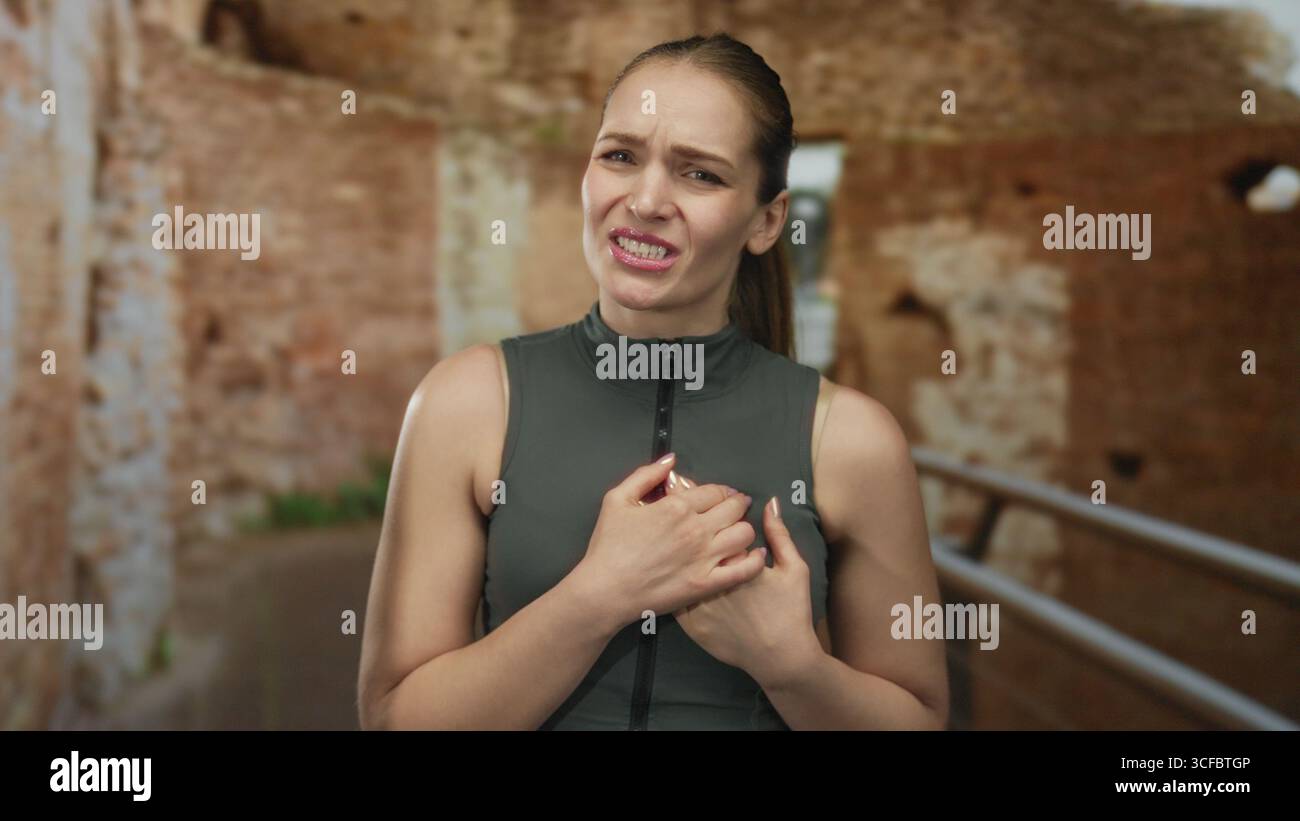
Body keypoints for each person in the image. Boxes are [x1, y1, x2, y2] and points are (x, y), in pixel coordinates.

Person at [357, 33, 948, 730]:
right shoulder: (464, 404)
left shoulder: (852, 440)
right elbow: (395, 717)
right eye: (620, 156)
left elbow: (919, 719)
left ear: (766, 221)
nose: (645, 199)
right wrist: (599, 595)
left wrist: (791, 665)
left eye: (699, 174)